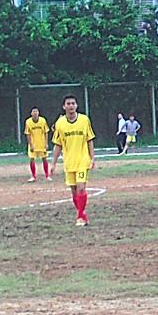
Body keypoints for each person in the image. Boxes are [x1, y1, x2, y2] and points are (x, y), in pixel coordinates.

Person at [50, 94, 95, 227]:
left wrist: (92, 158)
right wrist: (53, 163)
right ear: (64, 107)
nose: (71, 106)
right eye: (68, 104)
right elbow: (58, 144)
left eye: (73, 103)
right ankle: (83, 213)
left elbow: (89, 139)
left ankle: (80, 217)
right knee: (74, 191)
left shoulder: (84, 120)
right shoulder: (60, 123)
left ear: (76, 106)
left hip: (82, 160)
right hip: (69, 162)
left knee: (81, 188)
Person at [24, 107, 52, 182]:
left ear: (38, 113)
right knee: (32, 159)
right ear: (31, 113)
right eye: (33, 112)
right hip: (33, 144)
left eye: (36, 111)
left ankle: (47, 175)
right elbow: (28, 134)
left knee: (44, 159)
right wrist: (30, 145)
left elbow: (46, 132)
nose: (35, 113)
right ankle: (33, 176)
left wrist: (46, 143)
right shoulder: (28, 122)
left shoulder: (43, 120)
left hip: (42, 144)